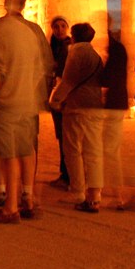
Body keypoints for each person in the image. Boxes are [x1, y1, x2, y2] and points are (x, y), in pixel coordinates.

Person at [0, 0, 54, 224]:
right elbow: (46, 66)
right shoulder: (35, 30)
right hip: (29, 101)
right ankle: (28, 198)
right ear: (24, 4)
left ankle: (9, 206)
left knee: (9, 152)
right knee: (27, 149)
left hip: (8, 100)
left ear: (5, 3)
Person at [49, 23, 104, 213]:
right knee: (94, 151)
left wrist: (55, 99)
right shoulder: (96, 55)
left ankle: (78, 191)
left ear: (74, 36)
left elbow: (68, 80)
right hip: (95, 107)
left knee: (73, 150)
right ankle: (95, 194)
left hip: (77, 107)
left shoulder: (76, 52)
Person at [101, 30, 129, 210]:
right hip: (119, 103)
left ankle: (119, 195)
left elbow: (107, 78)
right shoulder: (119, 49)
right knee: (112, 148)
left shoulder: (115, 51)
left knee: (110, 150)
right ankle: (108, 188)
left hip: (114, 104)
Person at [49, 15, 72, 190]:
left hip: (65, 96)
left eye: (63, 25)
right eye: (56, 26)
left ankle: (68, 176)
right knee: (61, 137)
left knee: (66, 137)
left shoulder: (69, 47)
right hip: (54, 95)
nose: (59, 29)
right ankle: (65, 174)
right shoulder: (52, 47)